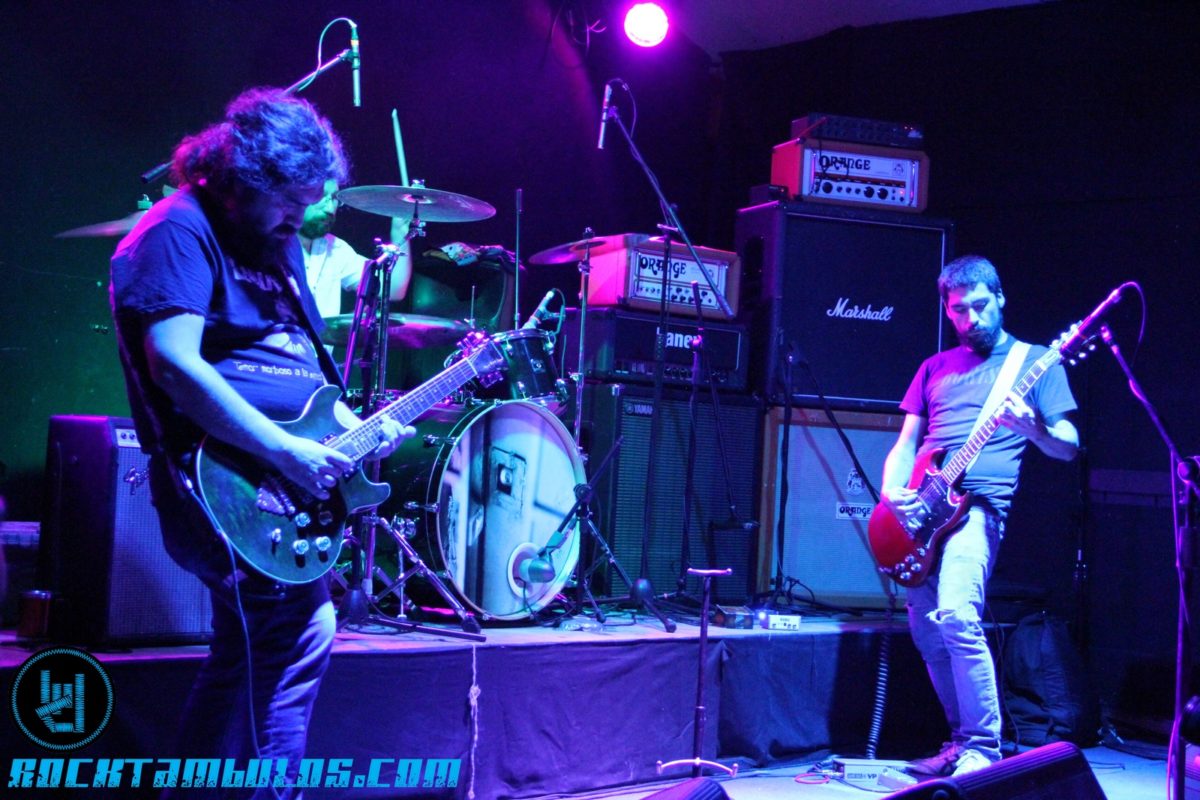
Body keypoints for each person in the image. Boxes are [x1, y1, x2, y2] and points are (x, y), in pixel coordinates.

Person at [110, 87, 412, 798]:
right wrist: (286, 452)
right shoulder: (178, 230)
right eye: (289, 201)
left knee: (257, 649)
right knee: (285, 636)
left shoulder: (274, 242)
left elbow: (299, 367)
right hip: (221, 477)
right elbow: (174, 364)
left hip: (275, 472)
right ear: (243, 177)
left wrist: (351, 430)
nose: (300, 217)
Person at [878, 255, 1079, 777]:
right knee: (927, 635)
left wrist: (1034, 429)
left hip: (978, 511)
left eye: (981, 305)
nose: (971, 318)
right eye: (959, 310)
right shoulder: (934, 367)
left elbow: (1069, 445)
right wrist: (891, 492)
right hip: (923, 512)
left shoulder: (1035, 363)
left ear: (1000, 297)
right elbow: (906, 444)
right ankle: (959, 740)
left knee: (957, 616)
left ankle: (984, 749)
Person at [299, 179, 413, 318]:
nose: (330, 208)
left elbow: (393, 289)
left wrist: (399, 232)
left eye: (334, 198)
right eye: (320, 195)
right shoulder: (275, 246)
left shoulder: (335, 248)